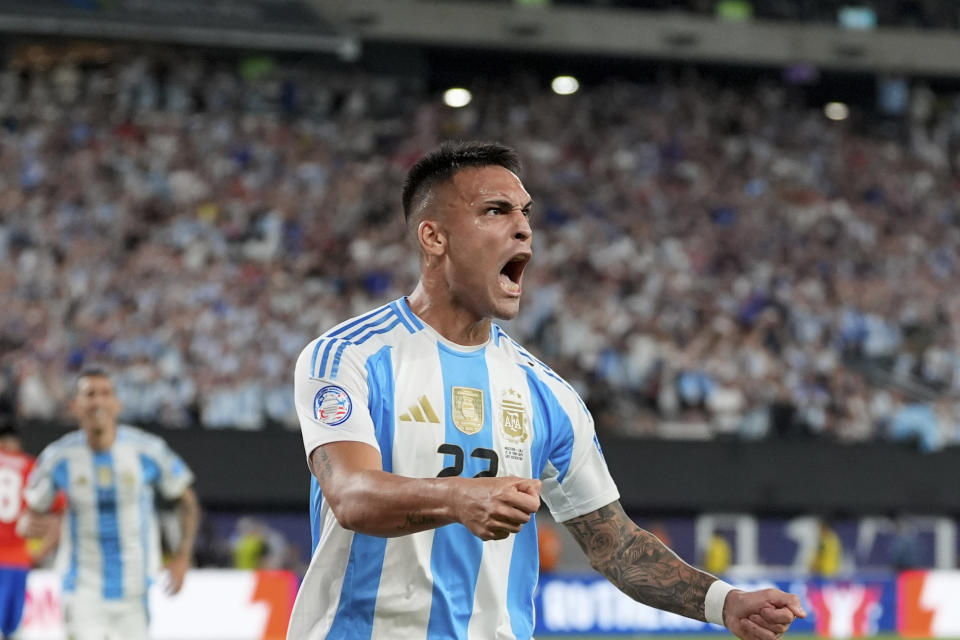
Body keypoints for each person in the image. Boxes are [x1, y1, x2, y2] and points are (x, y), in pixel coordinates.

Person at [289, 141, 806, 640]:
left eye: (525, 213)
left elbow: (616, 546)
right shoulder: (347, 356)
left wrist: (725, 602)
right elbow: (351, 496)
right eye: (495, 211)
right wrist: (458, 497)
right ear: (434, 237)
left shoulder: (548, 394)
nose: (523, 230)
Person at [20, 368, 199, 640]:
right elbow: (31, 510)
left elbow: (187, 500)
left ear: (117, 404)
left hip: (135, 590)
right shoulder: (58, 457)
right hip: (80, 589)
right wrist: (30, 524)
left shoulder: (146, 450)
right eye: (89, 394)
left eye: (105, 393)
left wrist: (183, 556)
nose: (98, 401)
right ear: (75, 406)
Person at [0, 420, 59, 640]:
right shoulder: (30, 466)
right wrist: (38, 553)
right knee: (12, 631)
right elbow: (60, 513)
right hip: (18, 560)